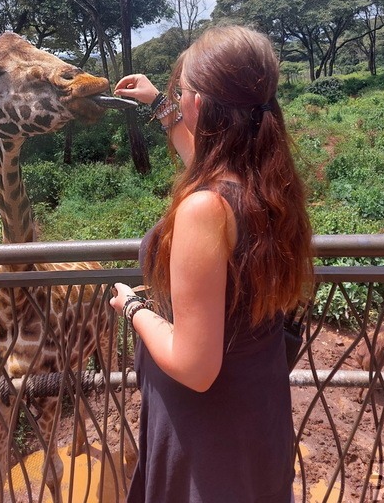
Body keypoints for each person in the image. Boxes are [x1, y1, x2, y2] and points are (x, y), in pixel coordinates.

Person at [110, 25, 313, 503]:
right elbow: (203, 158)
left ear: (199, 105)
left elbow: (195, 365)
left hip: (208, 429)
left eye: (182, 96)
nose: (178, 104)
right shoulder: (265, 183)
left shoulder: (206, 209)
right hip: (256, 407)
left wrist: (134, 308)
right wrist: (159, 101)